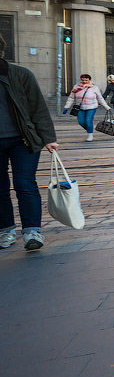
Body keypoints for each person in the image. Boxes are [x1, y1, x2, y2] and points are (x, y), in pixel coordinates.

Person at [0, 33, 59, 251]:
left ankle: (32, 232)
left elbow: (38, 108)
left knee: (24, 184)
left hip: (22, 140)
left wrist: (49, 138)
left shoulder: (20, 74)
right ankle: (5, 231)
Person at [64, 74, 109, 141]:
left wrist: (106, 107)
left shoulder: (94, 88)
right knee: (81, 122)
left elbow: (100, 98)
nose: (84, 81)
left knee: (88, 121)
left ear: (89, 80)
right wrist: (67, 107)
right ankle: (89, 129)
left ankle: (90, 135)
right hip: (80, 107)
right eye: (83, 80)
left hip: (91, 107)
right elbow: (71, 97)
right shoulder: (76, 87)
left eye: (86, 80)